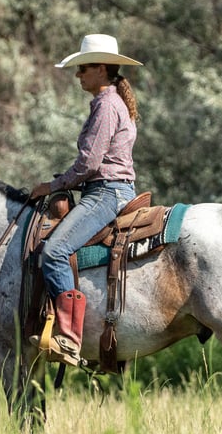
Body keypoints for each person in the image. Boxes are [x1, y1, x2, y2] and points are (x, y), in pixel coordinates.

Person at [29, 33, 143, 366]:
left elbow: (90, 164)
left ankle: (69, 339)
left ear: (103, 69)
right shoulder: (110, 103)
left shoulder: (107, 105)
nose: (79, 75)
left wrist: (52, 186)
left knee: (53, 252)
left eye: (84, 68)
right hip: (113, 189)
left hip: (107, 192)